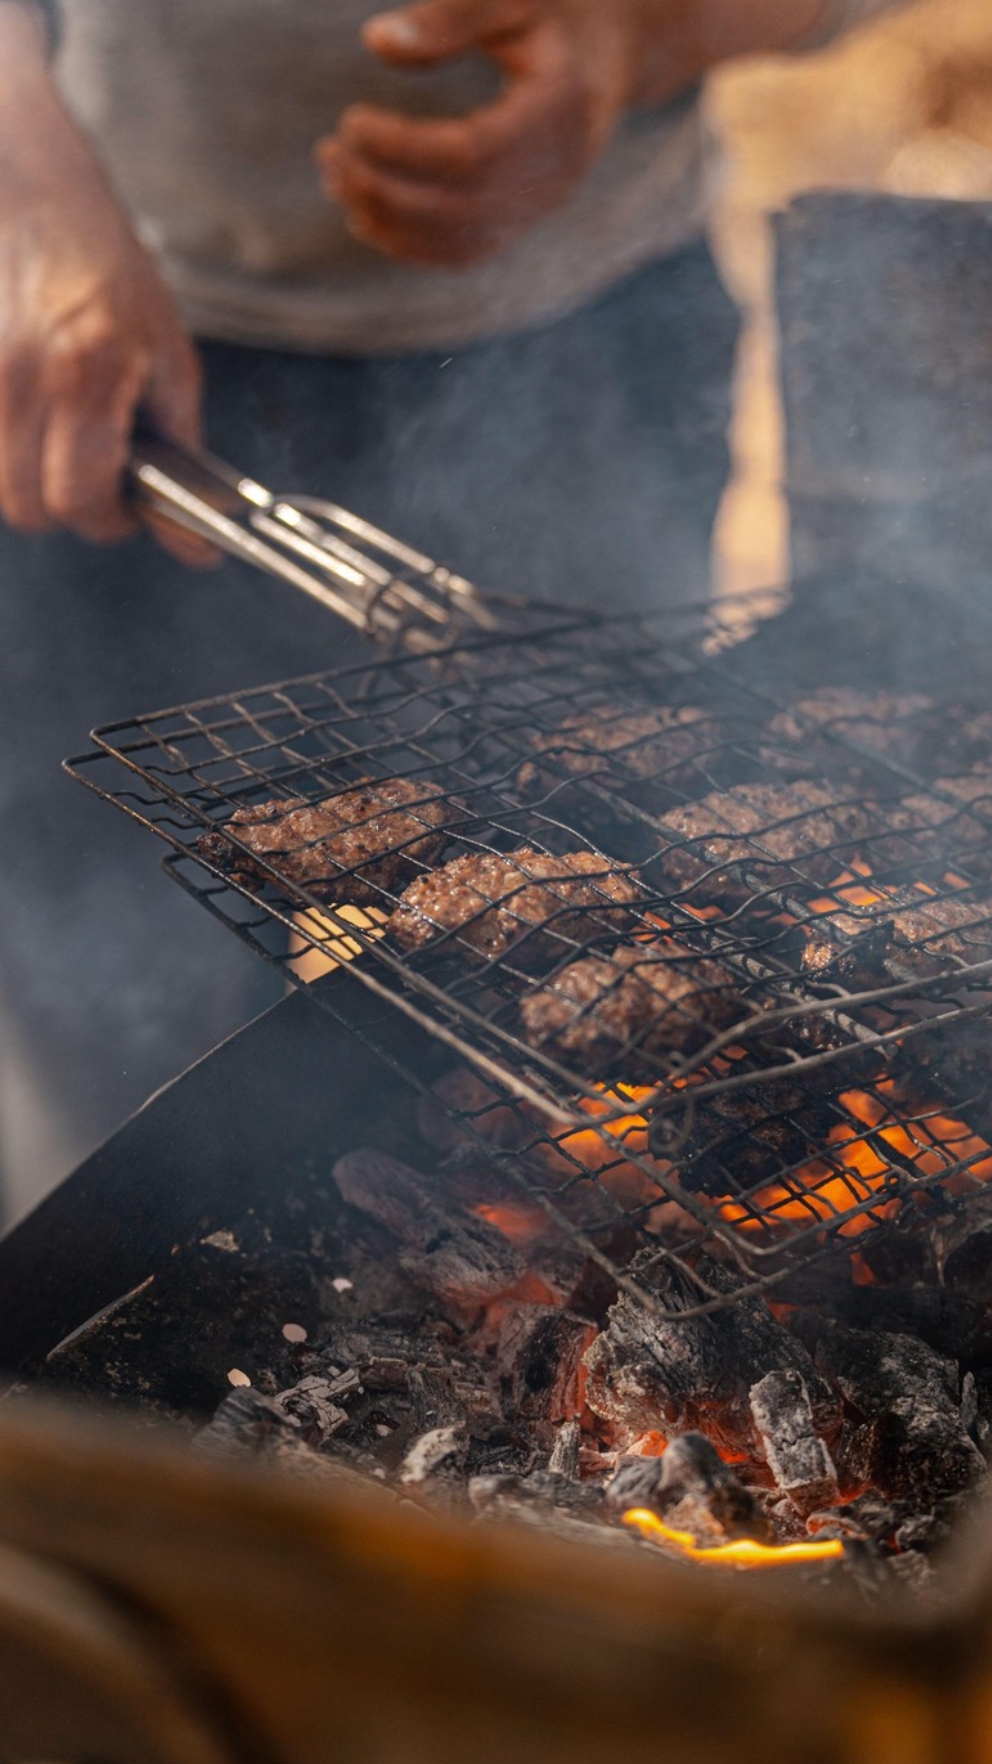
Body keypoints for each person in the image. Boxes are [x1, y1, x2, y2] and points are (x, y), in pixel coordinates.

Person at [0, 0, 891, 1216]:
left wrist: (647, 33)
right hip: (97, 326)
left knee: (612, 1101)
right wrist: (25, 191)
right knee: (115, 1113)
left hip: (590, 334)